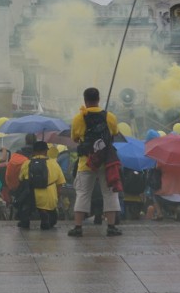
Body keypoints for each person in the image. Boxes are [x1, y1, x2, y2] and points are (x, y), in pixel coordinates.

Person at [68, 87, 122, 237]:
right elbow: (115, 133)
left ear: (85, 100)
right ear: (99, 99)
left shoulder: (79, 118)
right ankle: (111, 227)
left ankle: (78, 227)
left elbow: (75, 138)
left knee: (83, 193)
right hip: (106, 160)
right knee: (109, 193)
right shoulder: (109, 116)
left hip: (86, 161)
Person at [18, 141, 65, 230]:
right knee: (51, 212)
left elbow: (20, 179)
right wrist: (57, 197)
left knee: (24, 198)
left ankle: (25, 219)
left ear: (33, 151)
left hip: (31, 197)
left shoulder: (27, 163)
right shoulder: (54, 163)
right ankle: (45, 214)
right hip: (49, 198)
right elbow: (60, 184)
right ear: (46, 151)